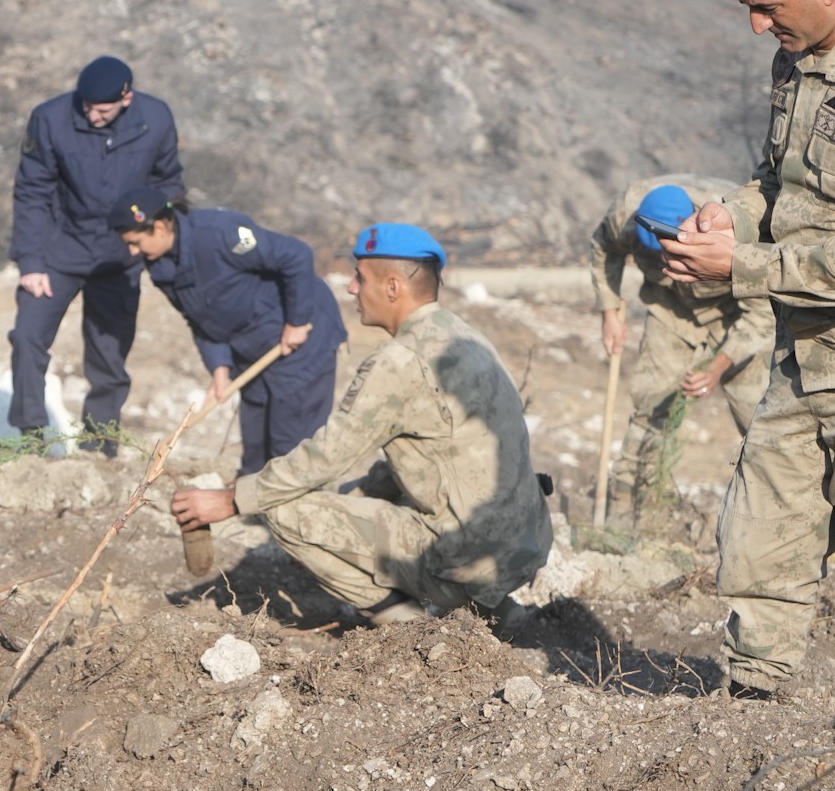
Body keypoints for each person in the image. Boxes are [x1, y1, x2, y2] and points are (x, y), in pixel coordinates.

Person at [660, 0, 835, 727]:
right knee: (759, 540)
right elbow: (783, 187)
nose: (758, 27)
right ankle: (746, 716)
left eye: (768, 9)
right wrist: (728, 212)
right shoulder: (796, 64)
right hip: (799, 355)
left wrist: (742, 268)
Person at [171, 224, 552, 624]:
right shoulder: (462, 336)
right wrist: (360, 492)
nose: (352, 288)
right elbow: (438, 454)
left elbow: (324, 457)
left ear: (392, 288)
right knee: (368, 494)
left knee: (283, 508)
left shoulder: (399, 361)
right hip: (523, 545)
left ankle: (408, 626)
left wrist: (231, 500)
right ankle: (500, 612)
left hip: (468, 558)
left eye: (360, 278)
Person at [587, 175, 774, 538]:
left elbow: (763, 312)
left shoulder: (731, 223)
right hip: (670, 310)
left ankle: (770, 525)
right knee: (649, 408)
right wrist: (609, 311)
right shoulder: (625, 214)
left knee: (760, 420)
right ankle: (623, 520)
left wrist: (720, 365)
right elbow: (603, 249)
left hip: (735, 312)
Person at [8, 56, 183, 445]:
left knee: (109, 358)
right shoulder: (50, 118)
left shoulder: (155, 118)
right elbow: (32, 191)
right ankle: (31, 438)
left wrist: (150, 240)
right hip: (58, 251)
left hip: (121, 256)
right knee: (27, 337)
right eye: (86, 106)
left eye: (102, 109)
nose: (91, 115)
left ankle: (99, 443)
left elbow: (170, 184)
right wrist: (31, 261)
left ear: (127, 99)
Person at [117, 189, 345, 474]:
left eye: (136, 242)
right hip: (251, 349)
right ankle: (249, 510)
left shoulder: (223, 233)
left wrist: (297, 322)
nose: (132, 252)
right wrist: (220, 368)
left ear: (160, 227)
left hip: (302, 337)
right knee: (256, 443)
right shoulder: (161, 266)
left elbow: (295, 255)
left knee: (291, 442)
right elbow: (198, 318)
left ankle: (295, 513)